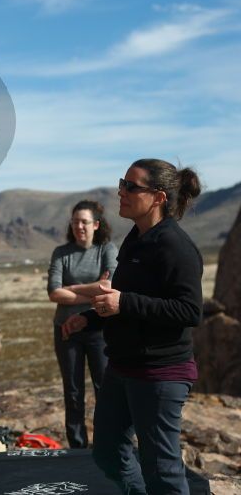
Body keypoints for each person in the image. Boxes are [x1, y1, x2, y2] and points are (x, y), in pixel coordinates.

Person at [62, 159, 203, 495]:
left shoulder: (175, 246)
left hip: (160, 373)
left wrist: (123, 303)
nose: (120, 192)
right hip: (124, 367)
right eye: (122, 183)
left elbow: (189, 310)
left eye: (131, 186)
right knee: (108, 453)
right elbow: (126, 298)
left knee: (163, 471)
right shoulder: (135, 239)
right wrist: (90, 317)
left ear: (158, 197)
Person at [47, 200, 117, 448]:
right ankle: (77, 446)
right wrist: (92, 294)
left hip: (99, 329)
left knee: (104, 388)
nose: (79, 226)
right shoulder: (61, 253)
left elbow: (109, 287)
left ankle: (107, 445)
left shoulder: (106, 250)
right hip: (66, 330)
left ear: (96, 224)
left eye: (84, 222)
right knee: (73, 391)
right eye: (75, 221)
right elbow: (54, 293)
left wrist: (72, 289)